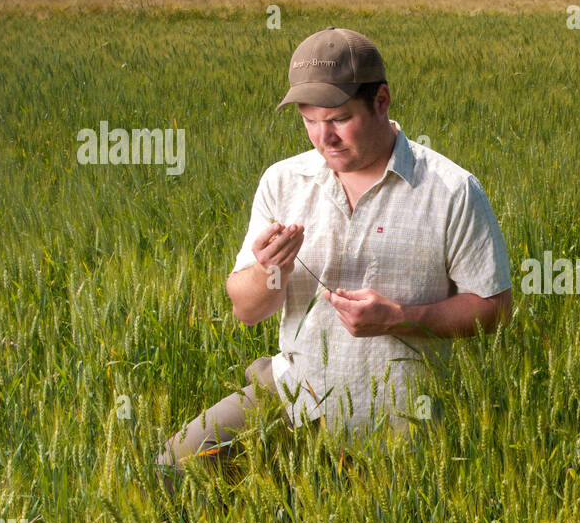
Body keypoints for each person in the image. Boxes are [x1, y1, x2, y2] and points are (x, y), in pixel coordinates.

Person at [155, 27, 512, 486]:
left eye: (340, 119)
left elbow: (495, 310)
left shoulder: (451, 190)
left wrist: (399, 318)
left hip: (405, 415)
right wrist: (270, 271)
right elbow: (245, 309)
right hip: (294, 393)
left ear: (381, 101)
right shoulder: (283, 182)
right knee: (170, 471)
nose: (324, 138)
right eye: (309, 120)